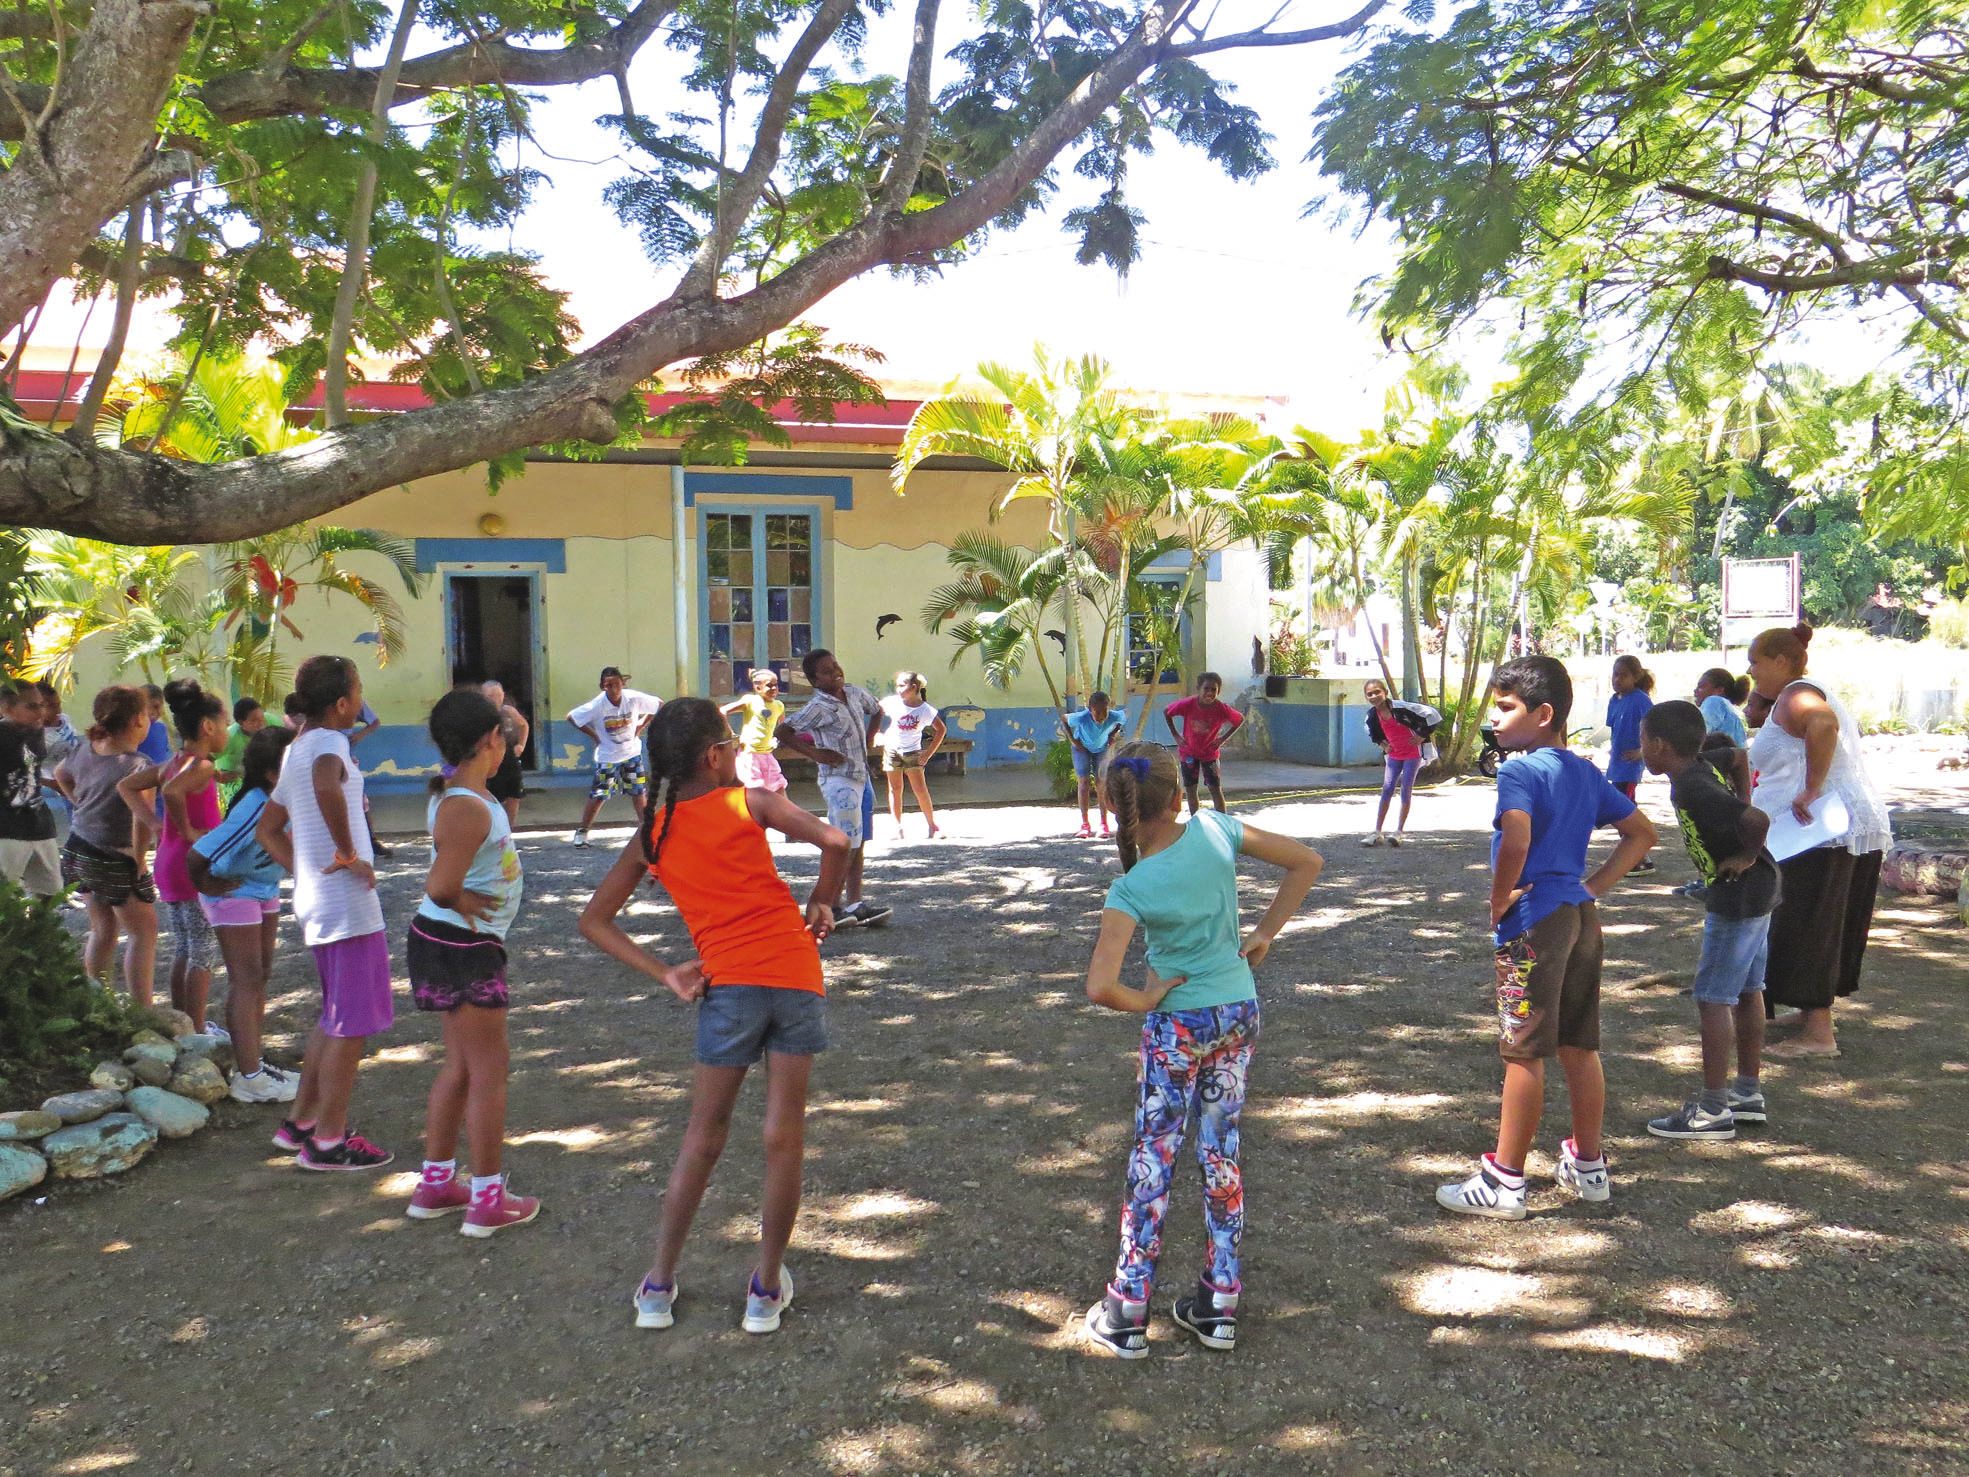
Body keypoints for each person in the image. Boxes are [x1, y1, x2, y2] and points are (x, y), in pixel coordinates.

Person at [578, 698, 851, 1335]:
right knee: (783, 1137)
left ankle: (659, 1284)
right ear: (714, 756)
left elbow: (594, 921)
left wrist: (667, 972)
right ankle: (763, 1290)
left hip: (727, 989)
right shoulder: (749, 802)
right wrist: (820, 901)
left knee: (703, 1138)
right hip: (794, 976)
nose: (738, 754)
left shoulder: (657, 830)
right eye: (731, 743)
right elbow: (835, 839)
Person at [1080, 742, 1324, 1357]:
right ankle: (1218, 1303)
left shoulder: (1130, 888)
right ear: (1180, 796)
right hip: (1238, 1012)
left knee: (1153, 1156)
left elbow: (1101, 986)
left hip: (1177, 1026)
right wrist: (1264, 934)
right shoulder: (1216, 828)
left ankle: (1128, 1308)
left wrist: (1148, 996)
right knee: (1221, 1154)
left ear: (1112, 804)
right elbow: (1306, 862)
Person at [1436, 656, 1655, 1221]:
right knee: (1580, 1045)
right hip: (1580, 917)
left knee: (1524, 1049)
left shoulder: (1519, 771)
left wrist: (1498, 896)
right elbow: (1641, 834)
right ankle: (1589, 1166)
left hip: (1534, 920)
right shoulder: (1584, 771)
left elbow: (1517, 836)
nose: (1495, 718)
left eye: (1506, 707)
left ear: (1544, 713)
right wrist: (1592, 888)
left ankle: (1505, 1179)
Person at [404, 689, 539, 1237]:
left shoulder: (460, 797)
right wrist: (460, 900)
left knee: (461, 1066)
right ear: (489, 741)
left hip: (450, 942)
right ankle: (487, 1197)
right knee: (489, 1071)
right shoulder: (464, 805)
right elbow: (439, 885)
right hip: (462, 947)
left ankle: (436, 1184)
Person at [255, 654, 395, 1171]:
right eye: (358, 691)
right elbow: (325, 784)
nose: (361, 701)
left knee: (334, 1014)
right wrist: (346, 854)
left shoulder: (297, 747)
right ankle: (330, 1141)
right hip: (346, 904)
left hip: (319, 900)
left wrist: (306, 869)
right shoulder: (331, 744)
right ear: (341, 703)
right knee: (349, 1023)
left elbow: (268, 829)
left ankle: (303, 1122)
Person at [1746, 622, 1894, 1059]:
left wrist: (1812, 786)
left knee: (1811, 923)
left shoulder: (1797, 694)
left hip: (1820, 832)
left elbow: (1823, 724)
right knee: (1814, 921)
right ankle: (1811, 1012)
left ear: (1780, 661)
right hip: (1829, 830)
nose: (1751, 671)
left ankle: (1819, 1033)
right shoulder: (1793, 695)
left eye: (1756, 662)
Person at [1638, 701, 1778, 1140]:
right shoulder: (1700, 762)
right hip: (1760, 891)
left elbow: (1756, 819)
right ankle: (1747, 1093)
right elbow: (1738, 755)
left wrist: (1745, 852)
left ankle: (1713, 1109)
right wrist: (1742, 799)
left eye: (1643, 743)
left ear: (1660, 746)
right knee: (1749, 989)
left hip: (1738, 898)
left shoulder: (1692, 786)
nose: (1640, 751)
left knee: (1713, 997)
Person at [189, 725, 299, 1104]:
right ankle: (249, 1076)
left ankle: (255, 1062)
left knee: (260, 975)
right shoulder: (255, 807)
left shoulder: (284, 800)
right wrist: (208, 887)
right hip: (233, 892)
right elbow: (198, 854)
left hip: (263, 888)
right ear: (272, 775)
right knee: (246, 979)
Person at [126, 680, 229, 1038]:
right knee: (202, 951)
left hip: (170, 863)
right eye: (226, 722)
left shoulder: (176, 762)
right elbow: (171, 791)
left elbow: (126, 786)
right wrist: (186, 830)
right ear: (208, 726)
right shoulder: (197, 766)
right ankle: (197, 1029)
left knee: (185, 945)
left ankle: (182, 1021)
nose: (228, 730)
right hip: (192, 865)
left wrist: (155, 823)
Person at [52, 685, 159, 1004]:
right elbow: (143, 819)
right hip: (116, 857)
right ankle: (143, 1010)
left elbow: (60, 773)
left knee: (103, 929)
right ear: (140, 719)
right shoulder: (138, 765)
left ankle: (98, 1001)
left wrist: (78, 802)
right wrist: (139, 862)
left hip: (79, 847)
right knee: (144, 933)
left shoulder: (86, 748)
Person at [777, 649, 890, 927]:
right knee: (842, 845)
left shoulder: (854, 694)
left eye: (836, 666)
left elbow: (877, 710)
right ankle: (830, 906)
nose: (835, 673)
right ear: (815, 681)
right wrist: (816, 754)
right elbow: (783, 732)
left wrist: (871, 736)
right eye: (826, 671)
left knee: (858, 841)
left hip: (861, 777)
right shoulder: (818, 707)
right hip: (839, 780)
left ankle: (855, 902)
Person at [567, 666, 661, 847]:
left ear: (623, 684)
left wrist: (641, 725)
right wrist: (594, 735)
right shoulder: (597, 705)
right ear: (603, 687)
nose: (614, 689)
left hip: (631, 753)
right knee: (599, 794)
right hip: (608, 756)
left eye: (617, 684)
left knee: (638, 791)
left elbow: (658, 704)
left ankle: (646, 831)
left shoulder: (632, 698)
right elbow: (572, 717)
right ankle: (582, 831)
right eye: (608, 685)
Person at [0, 682, 61, 898]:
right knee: (7, 899)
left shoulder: (37, 734)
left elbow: (32, 770)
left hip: (40, 825)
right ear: (6, 708)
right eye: (32, 707)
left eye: (41, 705)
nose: (40, 713)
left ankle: (43, 932)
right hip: (7, 830)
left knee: (50, 894)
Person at [1360, 678, 1434, 847]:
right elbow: (1372, 731)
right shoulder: (1373, 715)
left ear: (1385, 692)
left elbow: (1431, 716)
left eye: (1377, 692)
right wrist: (1383, 744)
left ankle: (1399, 831)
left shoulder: (1401, 708)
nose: (1374, 696)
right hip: (1394, 755)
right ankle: (1377, 831)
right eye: (1369, 694)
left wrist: (1422, 735)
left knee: (1406, 789)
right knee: (1387, 788)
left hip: (1412, 754)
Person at [1164, 673, 1244, 815]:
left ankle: (1223, 822)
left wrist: (1222, 739)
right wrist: (1176, 735)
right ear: (1198, 689)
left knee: (1215, 789)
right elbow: (1167, 712)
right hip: (1189, 754)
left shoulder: (1221, 708)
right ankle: (1196, 821)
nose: (1209, 693)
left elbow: (1239, 720)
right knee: (1191, 789)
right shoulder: (1188, 704)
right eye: (1206, 688)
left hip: (1210, 755)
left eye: (1213, 690)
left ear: (1218, 691)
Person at [878, 671, 945, 840]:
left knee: (920, 790)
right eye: (897, 685)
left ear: (914, 687)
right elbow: (876, 711)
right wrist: (878, 733)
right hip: (892, 750)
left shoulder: (925, 710)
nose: (898, 689)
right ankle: (897, 826)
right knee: (895, 789)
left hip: (913, 752)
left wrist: (928, 754)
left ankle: (932, 826)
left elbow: (941, 730)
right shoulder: (893, 703)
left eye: (902, 685)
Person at [1604, 655, 1656, 872]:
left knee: (1624, 811)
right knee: (1621, 810)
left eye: (1623, 675)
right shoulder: (1614, 700)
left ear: (1636, 677)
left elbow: (1653, 728)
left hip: (1630, 767)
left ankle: (1638, 856)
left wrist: (1641, 752)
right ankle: (1637, 855)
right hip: (1616, 764)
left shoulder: (1641, 700)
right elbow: (1614, 729)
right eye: (1615, 674)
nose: (1617, 679)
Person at [1064, 690, 1126, 838]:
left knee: (1101, 784)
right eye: (1097, 713)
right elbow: (1064, 719)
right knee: (1084, 783)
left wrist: (1113, 734)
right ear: (1090, 709)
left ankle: (1103, 824)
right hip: (1081, 749)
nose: (1101, 717)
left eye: (1104, 712)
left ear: (1109, 708)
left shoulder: (1115, 716)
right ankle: (1085, 824)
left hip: (1102, 749)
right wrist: (1073, 741)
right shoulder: (1082, 717)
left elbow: (1123, 719)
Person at [718, 668, 788, 794]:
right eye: (769, 686)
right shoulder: (751, 701)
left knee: (778, 785)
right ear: (758, 688)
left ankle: (785, 812)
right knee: (755, 788)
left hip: (767, 754)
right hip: (750, 754)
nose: (774, 689)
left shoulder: (779, 705)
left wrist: (777, 739)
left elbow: (782, 726)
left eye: (776, 685)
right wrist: (730, 733)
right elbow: (723, 711)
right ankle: (754, 812)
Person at [480, 680, 531, 827]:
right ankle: (491, 828)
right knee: (491, 796)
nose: (495, 699)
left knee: (514, 795)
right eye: (490, 696)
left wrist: (521, 745)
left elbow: (523, 725)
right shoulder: (480, 713)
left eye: (498, 695)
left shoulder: (508, 711)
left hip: (509, 759)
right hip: (490, 761)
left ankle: (508, 830)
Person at [32, 680, 79, 830]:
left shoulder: (64, 720)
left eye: (58, 704)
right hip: (59, 784)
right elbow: (28, 768)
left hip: (80, 776)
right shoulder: (37, 736)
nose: (57, 710)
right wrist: (52, 784)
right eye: (51, 706)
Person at [216, 697, 265, 808]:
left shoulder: (271, 721)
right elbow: (203, 760)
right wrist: (219, 776)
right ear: (241, 723)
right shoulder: (229, 738)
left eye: (262, 718)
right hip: (234, 779)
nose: (261, 724)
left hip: (257, 774)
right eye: (254, 721)